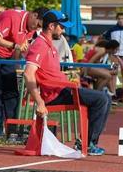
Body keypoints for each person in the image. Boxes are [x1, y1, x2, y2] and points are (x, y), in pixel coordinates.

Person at [24, 10, 111, 156]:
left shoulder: (50, 45)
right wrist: (39, 102)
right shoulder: (40, 45)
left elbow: (50, 72)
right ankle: (87, 143)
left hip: (63, 89)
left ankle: (89, 142)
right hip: (54, 95)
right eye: (62, 26)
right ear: (52, 26)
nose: (64, 30)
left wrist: (67, 79)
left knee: (106, 98)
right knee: (101, 99)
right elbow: (28, 73)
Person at [0, 6, 48, 137]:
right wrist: (15, 46)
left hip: (7, 55)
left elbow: (20, 50)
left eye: (40, 27)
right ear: (34, 15)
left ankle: (13, 130)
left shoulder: (31, 29)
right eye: (38, 25)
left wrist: (19, 69)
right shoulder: (11, 17)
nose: (37, 29)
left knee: (12, 92)